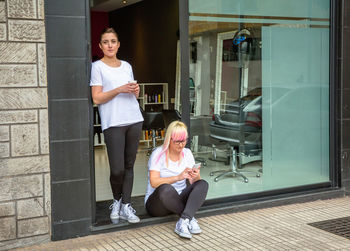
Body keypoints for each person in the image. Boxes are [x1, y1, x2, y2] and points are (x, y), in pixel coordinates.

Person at [90, 27, 143, 223]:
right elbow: (97, 98)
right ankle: (116, 200)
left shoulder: (127, 66)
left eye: (113, 41)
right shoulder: (97, 67)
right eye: (106, 42)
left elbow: (133, 94)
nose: (110, 45)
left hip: (133, 118)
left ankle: (127, 206)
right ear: (100, 45)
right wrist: (119, 89)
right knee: (117, 169)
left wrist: (135, 90)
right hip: (113, 122)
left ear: (118, 44)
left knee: (129, 165)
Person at [145, 121, 209, 239]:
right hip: (158, 204)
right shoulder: (158, 154)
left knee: (203, 184)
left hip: (178, 201)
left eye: (184, 141)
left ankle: (184, 220)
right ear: (169, 139)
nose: (181, 145)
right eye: (177, 142)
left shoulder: (187, 153)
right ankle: (189, 217)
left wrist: (195, 175)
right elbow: (154, 182)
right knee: (166, 189)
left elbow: (194, 183)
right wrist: (178, 177)